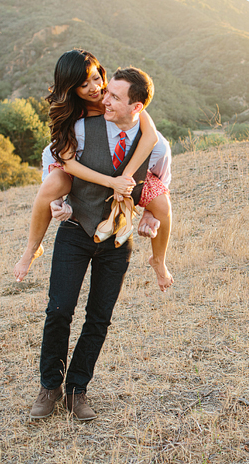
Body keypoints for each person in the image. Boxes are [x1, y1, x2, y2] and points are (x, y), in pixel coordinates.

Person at [29, 66, 162, 421]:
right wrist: (58, 202)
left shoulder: (156, 142)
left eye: (114, 96)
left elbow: (160, 188)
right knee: (58, 311)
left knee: (99, 318)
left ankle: (77, 390)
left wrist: (151, 216)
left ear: (137, 107)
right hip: (75, 230)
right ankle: (49, 387)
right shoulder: (81, 128)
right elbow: (54, 163)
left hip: (118, 239)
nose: (104, 98)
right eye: (106, 91)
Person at [13, 49, 168, 285]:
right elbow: (65, 162)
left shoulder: (117, 95)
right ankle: (32, 249)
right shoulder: (72, 114)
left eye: (96, 78)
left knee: (163, 205)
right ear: (72, 87)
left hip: (122, 167)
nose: (95, 88)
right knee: (52, 184)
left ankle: (159, 260)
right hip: (77, 166)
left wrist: (125, 179)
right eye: (84, 84)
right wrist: (61, 199)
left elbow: (151, 138)